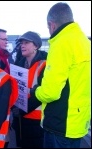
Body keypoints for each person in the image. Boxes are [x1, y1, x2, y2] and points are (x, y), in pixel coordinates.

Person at [30, 2, 91, 148]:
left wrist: (35, 91)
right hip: (78, 121)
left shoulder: (61, 43)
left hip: (60, 123)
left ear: (51, 25)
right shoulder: (84, 41)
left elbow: (50, 93)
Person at [11, 31, 47, 148]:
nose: (22, 45)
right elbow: (15, 88)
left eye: (26, 42)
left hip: (36, 122)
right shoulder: (19, 64)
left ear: (36, 46)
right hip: (20, 121)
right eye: (21, 43)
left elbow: (42, 93)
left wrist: (21, 110)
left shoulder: (45, 65)